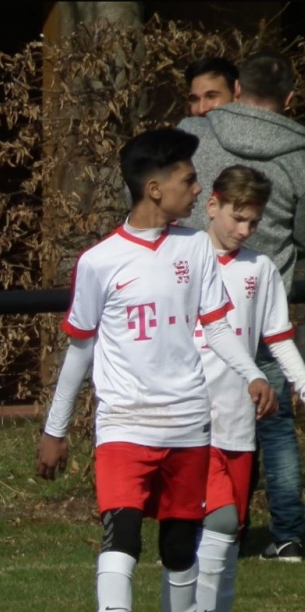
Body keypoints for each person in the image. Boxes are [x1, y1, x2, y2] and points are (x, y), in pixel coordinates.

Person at [35, 128, 275, 612]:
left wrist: (252, 373)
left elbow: (216, 326)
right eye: (188, 180)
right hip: (125, 422)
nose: (197, 189)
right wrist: (54, 430)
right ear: (154, 189)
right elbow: (80, 350)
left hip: (188, 424)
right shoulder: (99, 262)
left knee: (180, 548)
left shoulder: (196, 247)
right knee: (121, 535)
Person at [179, 50, 305, 562]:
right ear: (290, 98)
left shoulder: (192, 133)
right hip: (256, 308)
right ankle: (286, 532)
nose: (244, 228)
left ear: (235, 90)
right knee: (273, 430)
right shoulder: (299, 154)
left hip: (204, 308)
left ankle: (206, 525)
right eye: (238, 217)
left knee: (202, 427)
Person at [194, 165, 305, 611]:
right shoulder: (181, 260)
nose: (244, 230)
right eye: (237, 218)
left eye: (253, 222)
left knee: (229, 536)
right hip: (188, 418)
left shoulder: (260, 269)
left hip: (237, 421)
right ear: (212, 205)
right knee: (210, 524)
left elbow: (278, 340)